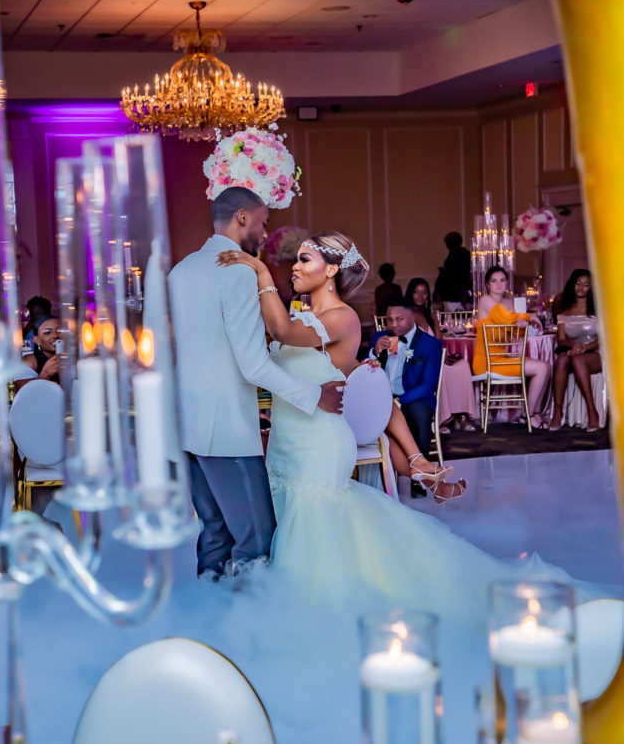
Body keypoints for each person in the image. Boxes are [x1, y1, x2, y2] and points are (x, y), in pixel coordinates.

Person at [213, 232, 537, 609]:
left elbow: (280, 331)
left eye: (304, 260)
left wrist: (261, 272)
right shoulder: (303, 316)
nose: (294, 268)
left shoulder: (342, 317)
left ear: (331, 269)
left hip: (319, 446)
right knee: (296, 529)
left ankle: (319, 613)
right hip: (287, 444)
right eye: (295, 260)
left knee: (314, 536)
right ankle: (418, 466)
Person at [169, 187, 344, 581]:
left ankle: (209, 627)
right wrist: (315, 396)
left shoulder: (180, 271)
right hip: (227, 428)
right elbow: (253, 365)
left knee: (214, 535)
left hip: (187, 424)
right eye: (264, 222)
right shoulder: (237, 272)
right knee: (257, 541)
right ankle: (250, 634)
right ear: (243, 217)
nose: (266, 233)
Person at [369, 301, 445, 497]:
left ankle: (419, 479)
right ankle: (378, 475)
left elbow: (428, 385)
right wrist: (375, 351)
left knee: (419, 413)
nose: (394, 325)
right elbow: (361, 366)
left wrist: (401, 401)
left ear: (413, 318)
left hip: (411, 397)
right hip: (380, 396)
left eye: (399, 319)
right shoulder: (379, 337)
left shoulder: (430, 344)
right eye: (390, 320)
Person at [473, 265, 550, 428]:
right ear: (487, 284)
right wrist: (529, 316)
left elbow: (515, 332)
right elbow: (506, 320)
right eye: (494, 281)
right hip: (487, 362)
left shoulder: (509, 303)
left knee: (546, 366)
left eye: (502, 280)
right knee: (541, 368)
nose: (499, 284)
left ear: (507, 282)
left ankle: (531, 413)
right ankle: (528, 414)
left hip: (502, 359)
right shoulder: (485, 300)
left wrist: (527, 325)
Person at [405, 277, 477, 434]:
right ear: (410, 294)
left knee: (462, 366)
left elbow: (439, 342)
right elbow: (408, 347)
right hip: (417, 364)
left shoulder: (430, 316)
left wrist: (442, 356)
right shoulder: (406, 316)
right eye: (416, 292)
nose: (420, 296)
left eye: (424, 293)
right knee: (441, 371)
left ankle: (461, 415)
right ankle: (442, 419)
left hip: (435, 359)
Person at [549, 269, 601, 431]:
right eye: (578, 283)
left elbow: (603, 339)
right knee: (562, 359)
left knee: (577, 359)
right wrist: (574, 346)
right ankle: (557, 412)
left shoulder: (598, 310)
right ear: (572, 285)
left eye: (586, 285)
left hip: (594, 353)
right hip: (573, 352)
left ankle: (593, 412)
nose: (581, 288)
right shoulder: (564, 310)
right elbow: (561, 339)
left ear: (591, 288)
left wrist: (583, 348)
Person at [18, 315, 61, 386]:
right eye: (47, 332)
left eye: (59, 331)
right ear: (37, 340)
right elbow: (24, 394)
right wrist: (45, 374)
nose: (55, 335)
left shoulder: (73, 358)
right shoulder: (29, 361)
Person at [434, 231, 471, 309]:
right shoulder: (466, 253)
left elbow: (449, 276)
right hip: (461, 293)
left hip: (456, 295)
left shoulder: (453, 256)